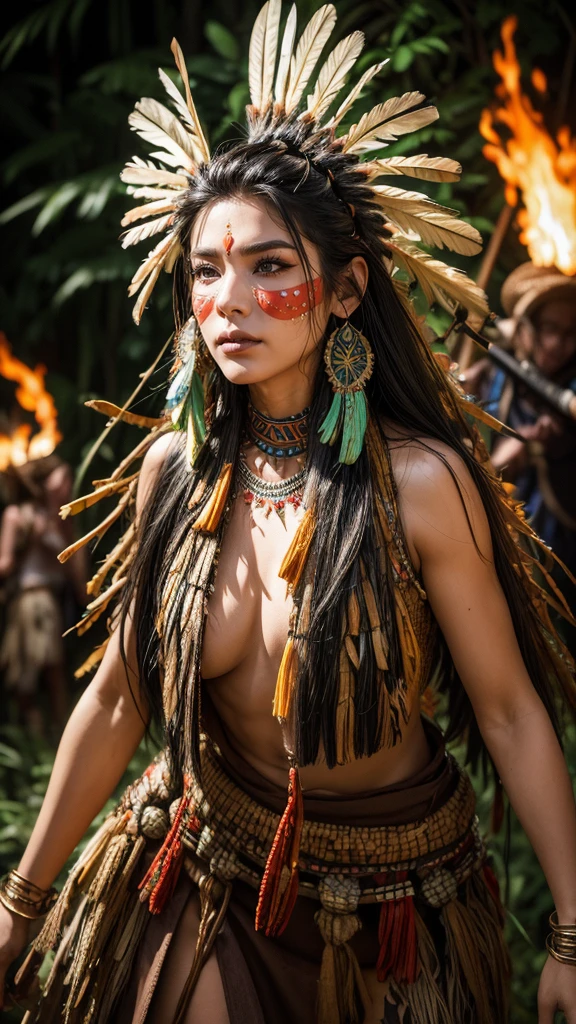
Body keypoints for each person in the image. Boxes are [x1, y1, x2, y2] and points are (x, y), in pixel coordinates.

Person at [1, 5, 576, 1022]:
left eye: (269, 266)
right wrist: (19, 899)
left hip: (399, 905)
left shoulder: (422, 486)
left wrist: (573, 930)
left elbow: (510, 710)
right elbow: (119, 699)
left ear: (346, 288)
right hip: (214, 878)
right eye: (206, 270)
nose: (226, 300)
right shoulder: (176, 473)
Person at [463, 262, 576, 650]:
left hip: (563, 539)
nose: (559, 345)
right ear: (527, 329)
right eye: (550, 330)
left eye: (570, 334)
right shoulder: (501, 370)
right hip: (507, 529)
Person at [0, 454, 86, 735]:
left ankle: (56, 735)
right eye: (62, 479)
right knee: (28, 675)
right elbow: (5, 564)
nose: (68, 486)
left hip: (52, 602)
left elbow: (79, 582)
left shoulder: (62, 521)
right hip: (30, 601)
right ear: (45, 482)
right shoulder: (18, 516)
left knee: (52, 672)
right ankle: (34, 738)